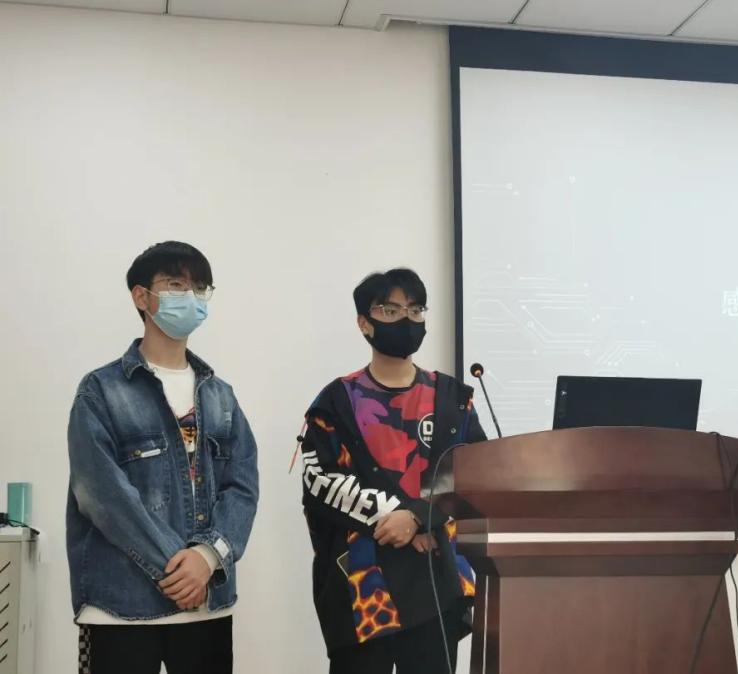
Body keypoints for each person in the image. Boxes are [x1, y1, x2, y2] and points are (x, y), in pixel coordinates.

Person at [66, 241, 259, 674]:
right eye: (175, 285)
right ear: (142, 296)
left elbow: (243, 487)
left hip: (206, 609)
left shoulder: (221, 397)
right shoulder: (100, 391)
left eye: (199, 288)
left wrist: (207, 557)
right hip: (121, 608)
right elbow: (101, 493)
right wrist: (179, 568)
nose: (190, 297)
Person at [298, 268, 487, 674]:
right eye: (391, 310)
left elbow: (477, 470)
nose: (407, 319)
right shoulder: (336, 401)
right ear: (364, 323)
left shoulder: (452, 399)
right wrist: (392, 517)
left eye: (415, 310)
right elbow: (319, 481)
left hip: (435, 582)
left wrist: (418, 517)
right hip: (364, 590)